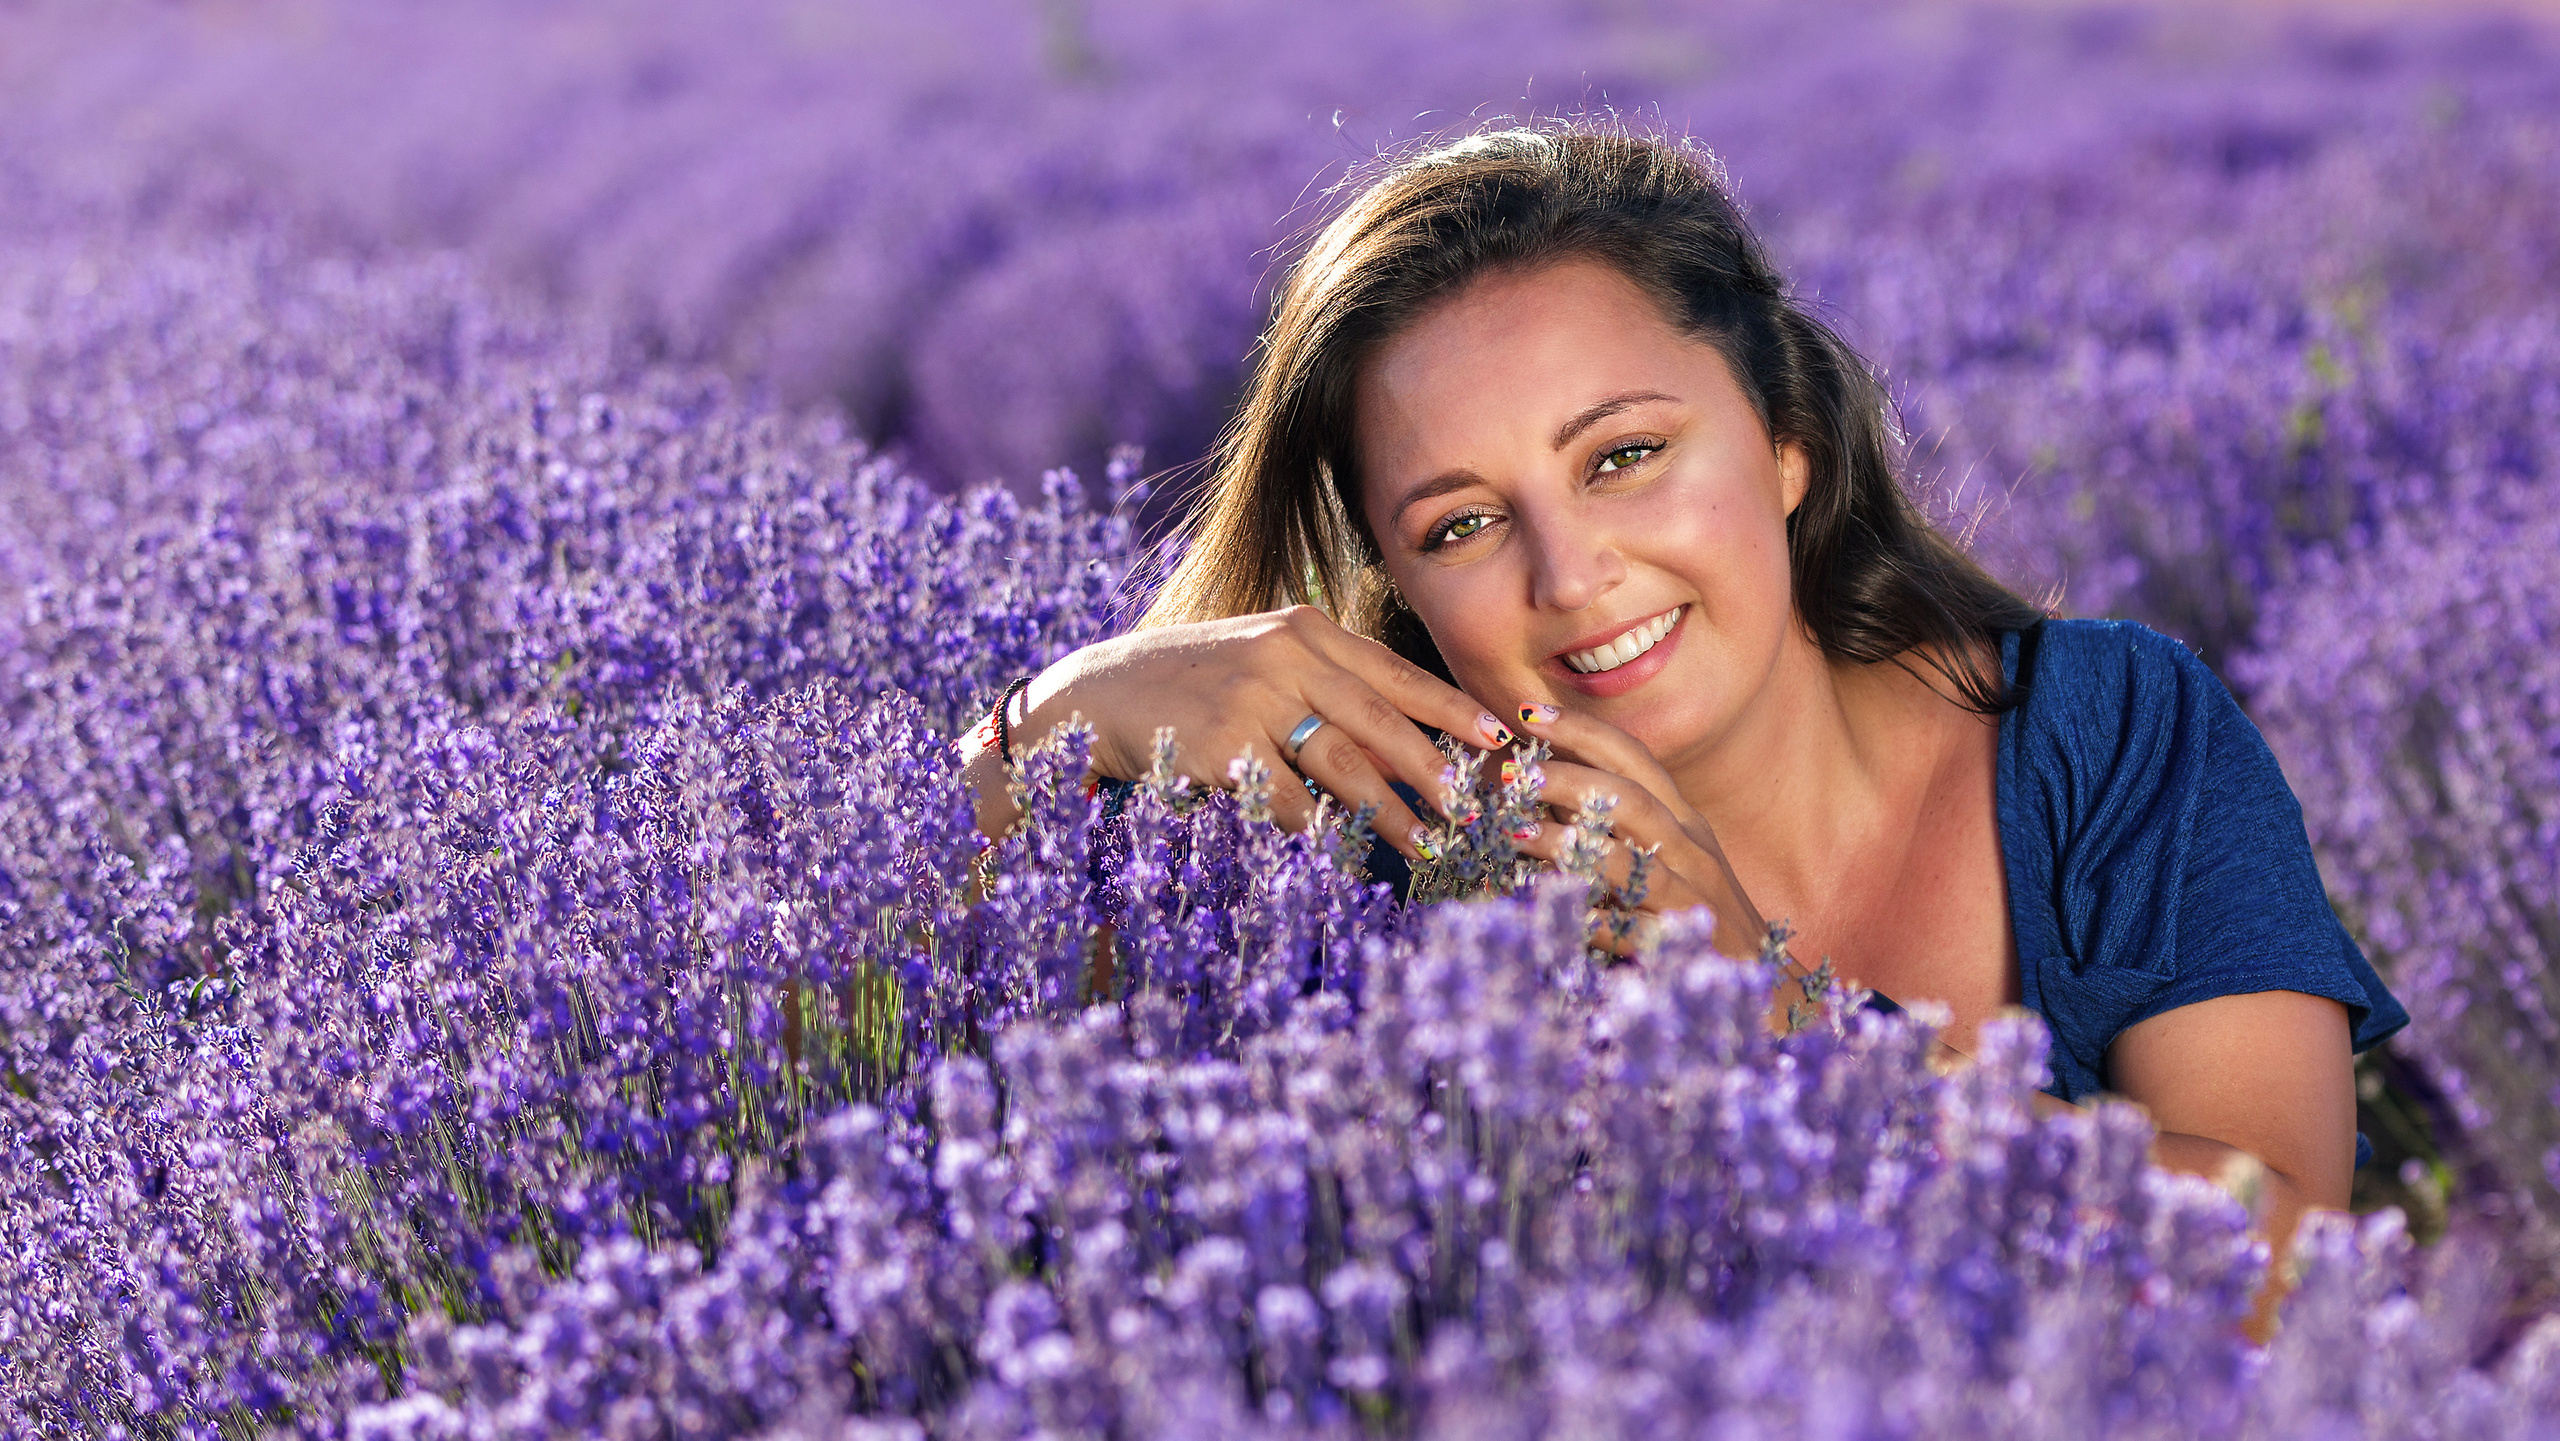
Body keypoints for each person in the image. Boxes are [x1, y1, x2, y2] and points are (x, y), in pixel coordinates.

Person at [955, 124, 2407, 1330]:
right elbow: (854, 1039)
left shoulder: (2105, 735)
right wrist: (1048, 723)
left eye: (1626, 456)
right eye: (1460, 523)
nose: (1572, 573)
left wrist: (1785, 1031)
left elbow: (2288, 1271)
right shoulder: (1364, 866)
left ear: (1787, 440)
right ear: (1394, 580)